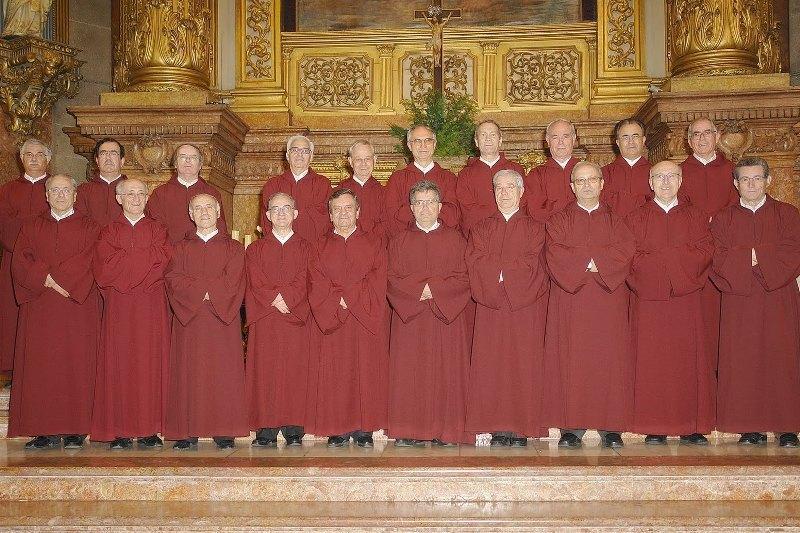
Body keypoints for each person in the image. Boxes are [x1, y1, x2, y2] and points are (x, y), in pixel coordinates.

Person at [544, 161, 635, 448]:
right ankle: (572, 427)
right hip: (571, 301)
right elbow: (555, 252)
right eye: (580, 181)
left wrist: (590, 261)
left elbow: (625, 251)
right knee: (572, 359)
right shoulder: (558, 220)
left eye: (592, 179)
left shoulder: (617, 220)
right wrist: (594, 261)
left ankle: (611, 427)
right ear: (571, 186)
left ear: (602, 183)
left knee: (609, 360)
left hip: (608, 301)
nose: (586, 185)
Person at [710, 157, 800, 448]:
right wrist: (761, 255)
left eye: (757, 178)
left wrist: (751, 255)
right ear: (735, 184)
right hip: (740, 300)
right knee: (743, 360)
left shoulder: (788, 214)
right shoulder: (723, 219)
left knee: (782, 359)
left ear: (768, 181)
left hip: (779, 299)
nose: (751, 184)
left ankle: (788, 426)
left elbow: (793, 252)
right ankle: (749, 427)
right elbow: (717, 257)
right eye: (745, 179)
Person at [7, 174, 101, 449]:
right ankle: (43, 430)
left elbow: (92, 258)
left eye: (66, 190)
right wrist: (46, 278)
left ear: (75, 195)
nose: (60, 195)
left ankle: (76, 429)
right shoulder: (31, 226)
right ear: (46, 195)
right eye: (55, 190)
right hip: (41, 307)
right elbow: (20, 260)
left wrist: (61, 282)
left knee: (77, 364)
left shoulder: (91, 226)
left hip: (78, 308)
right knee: (42, 366)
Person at [626, 160, 715, 445]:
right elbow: (629, 257)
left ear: (681, 180)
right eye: (659, 177)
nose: (665, 182)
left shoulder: (696, 216)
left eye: (671, 176)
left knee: (688, 359)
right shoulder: (635, 218)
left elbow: (705, 251)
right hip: (649, 300)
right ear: (650, 182)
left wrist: (666, 261)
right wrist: (670, 261)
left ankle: (691, 426)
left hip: (686, 299)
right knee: (652, 361)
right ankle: (654, 425)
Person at [465, 169, 549, 446]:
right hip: (491, 307)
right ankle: (496, 426)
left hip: (524, 307)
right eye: (498, 188)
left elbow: (536, 263)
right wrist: (503, 273)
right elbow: (475, 260)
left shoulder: (536, 228)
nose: (504, 193)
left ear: (521, 192)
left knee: (522, 364)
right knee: (491, 365)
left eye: (509, 187)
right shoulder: (481, 228)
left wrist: (501, 273)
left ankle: (521, 427)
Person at [387, 180, 471, 446]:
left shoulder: (456, 240)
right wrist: (418, 291)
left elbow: (465, 277)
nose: (425, 208)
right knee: (409, 373)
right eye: (419, 203)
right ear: (411, 207)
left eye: (430, 202)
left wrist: (433, 289)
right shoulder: (398, 242)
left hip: (445, 319)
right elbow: (390, 278)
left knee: (446, 373)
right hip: (410, 320)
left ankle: (446, 430)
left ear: (440, 206)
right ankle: (409, 430)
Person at [91, 178, 172, 449]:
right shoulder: (108, 232)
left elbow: (163, 261)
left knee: (150, 363)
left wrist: (126, 264)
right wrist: (142, 264)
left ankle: (149, 429)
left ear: (147, 198)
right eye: (130, 194)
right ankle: (120, 431)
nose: (136, 198)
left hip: (151, 307)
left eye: (140, 194)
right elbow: (105, 266)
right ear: (119, 198)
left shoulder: (159, 230)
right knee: (120, 363)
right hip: (120, 307)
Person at [163, 194, 248, 450]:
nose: (204, 212)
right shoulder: (179, 248)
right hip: (190, 322)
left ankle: (224, 430)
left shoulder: (234, 248)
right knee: (188, 374)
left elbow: (234, 281)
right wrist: (207, 291)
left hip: (222, 322)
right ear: (190, 214)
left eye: (209, 207)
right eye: (197, 208)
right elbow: (173, 280)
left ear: (218, 211)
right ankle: (187, 431)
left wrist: (201, 290)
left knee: (223, 373)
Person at [308, 189, 389, 447]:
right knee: (336, 372)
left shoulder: (375, 243)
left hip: (364, 318)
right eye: (337, 209)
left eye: (348, 208)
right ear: (330, 215)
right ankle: (338, 428)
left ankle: (364, 429)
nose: (343, 213)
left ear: (358, 212)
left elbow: (378, 278)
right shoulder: (319, 246)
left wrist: (348, 298)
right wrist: (338, 300)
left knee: (366, 371)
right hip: (333, 319)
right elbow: (316, 281)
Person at [246, 192, 314, 447]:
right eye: (276, 208)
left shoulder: (307, 248)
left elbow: (307, 278)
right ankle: (266, 429)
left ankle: (294, 428)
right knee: (265, 372)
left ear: (295, 214)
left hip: (296, 317)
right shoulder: (255, 249)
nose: (281, 213)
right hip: (267, 318)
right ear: (268, 215)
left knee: (296, 372)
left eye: (286, 208)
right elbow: (254, 279)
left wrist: (289, 299)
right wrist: (276, 299)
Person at [680, 117, 739, 376]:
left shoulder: (733, 171)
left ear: (717, 136)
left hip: (727, 254)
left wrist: (719, 224)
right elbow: (679, 210)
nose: (702, 138)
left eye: (707, 133)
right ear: (688, 140)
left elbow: (739, 207)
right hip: (694, 256)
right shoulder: (679, 173)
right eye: (696, 134)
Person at [0, 138, 50, 373]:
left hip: (47, 265)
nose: (34, 158)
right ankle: (12, 371)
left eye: (39, 154)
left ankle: (40, 370)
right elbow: (4, 226)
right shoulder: (7, 190)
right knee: (11, 317)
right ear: (21, 159)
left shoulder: (58, 188)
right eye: (28, 154)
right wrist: (36, 223)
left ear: (48, 159)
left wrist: (24, 222)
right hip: (13, 263)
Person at [385, 125, 460, 236]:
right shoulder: (397, 179)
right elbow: (392, 216)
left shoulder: (449, 178)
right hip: (407, 240)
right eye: (417, 141)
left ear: (434, 144)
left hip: (442, 239)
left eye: (428, 140)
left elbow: (453, 214)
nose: (423, 145)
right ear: (409, 145)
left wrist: (415, 210)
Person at [146, 143, 227, 244]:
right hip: (169, 251)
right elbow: (154, 228)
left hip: (204, 250)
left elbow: (220, 228)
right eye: (183, 157)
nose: (188, 160)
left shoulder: (212, 193)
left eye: (193, 157)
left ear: (200, 165)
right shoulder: (160, 194)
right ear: (175, 164)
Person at [457, 120, 526, 236]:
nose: (488, 139)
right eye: (483, 135)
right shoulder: (465, 174)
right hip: (480, 235)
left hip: (512, 231)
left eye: (493, 135)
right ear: (476, 142)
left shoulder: (516, 169)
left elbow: (523, 203)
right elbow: (467, 211)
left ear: (500, 140)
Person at [259, 135, 331, 242]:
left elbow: (326, 221)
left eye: (305, 151)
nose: (299, 154)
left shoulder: (323, 184)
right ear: (287, 156)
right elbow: (266, 221)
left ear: (311, 156)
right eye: (295, 150)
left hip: (314, 247)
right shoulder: (272, 185)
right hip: (280, 247)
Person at [524, 119, 581, 221]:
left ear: (573, 139)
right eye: (555, 137)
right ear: (548, 141)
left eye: (565, 137)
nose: (560, 142)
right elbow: (535, 212)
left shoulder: (587, 171)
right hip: (549, 229)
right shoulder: (536, 174)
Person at [601, 118, 652, 216]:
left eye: (635, 136)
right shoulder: (603, 174)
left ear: (643, 140)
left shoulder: (656, 173)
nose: (631, 142)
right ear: (617, 142)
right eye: (625, 137)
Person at [337, 140, 386, 241]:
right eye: (358, 159)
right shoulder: (339, 191)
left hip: (376, 245)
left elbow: (388, 227)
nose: (363, 164)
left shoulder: (385, 192)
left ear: (374, 160)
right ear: (350, 161)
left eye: (367, 159)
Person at [75, 137, 127, 227]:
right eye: (103, 153)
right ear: (97, 161)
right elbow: (79, 222)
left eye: (113, 153)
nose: (108, 157)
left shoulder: (134, 190)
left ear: (122, 161)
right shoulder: (83, 191)